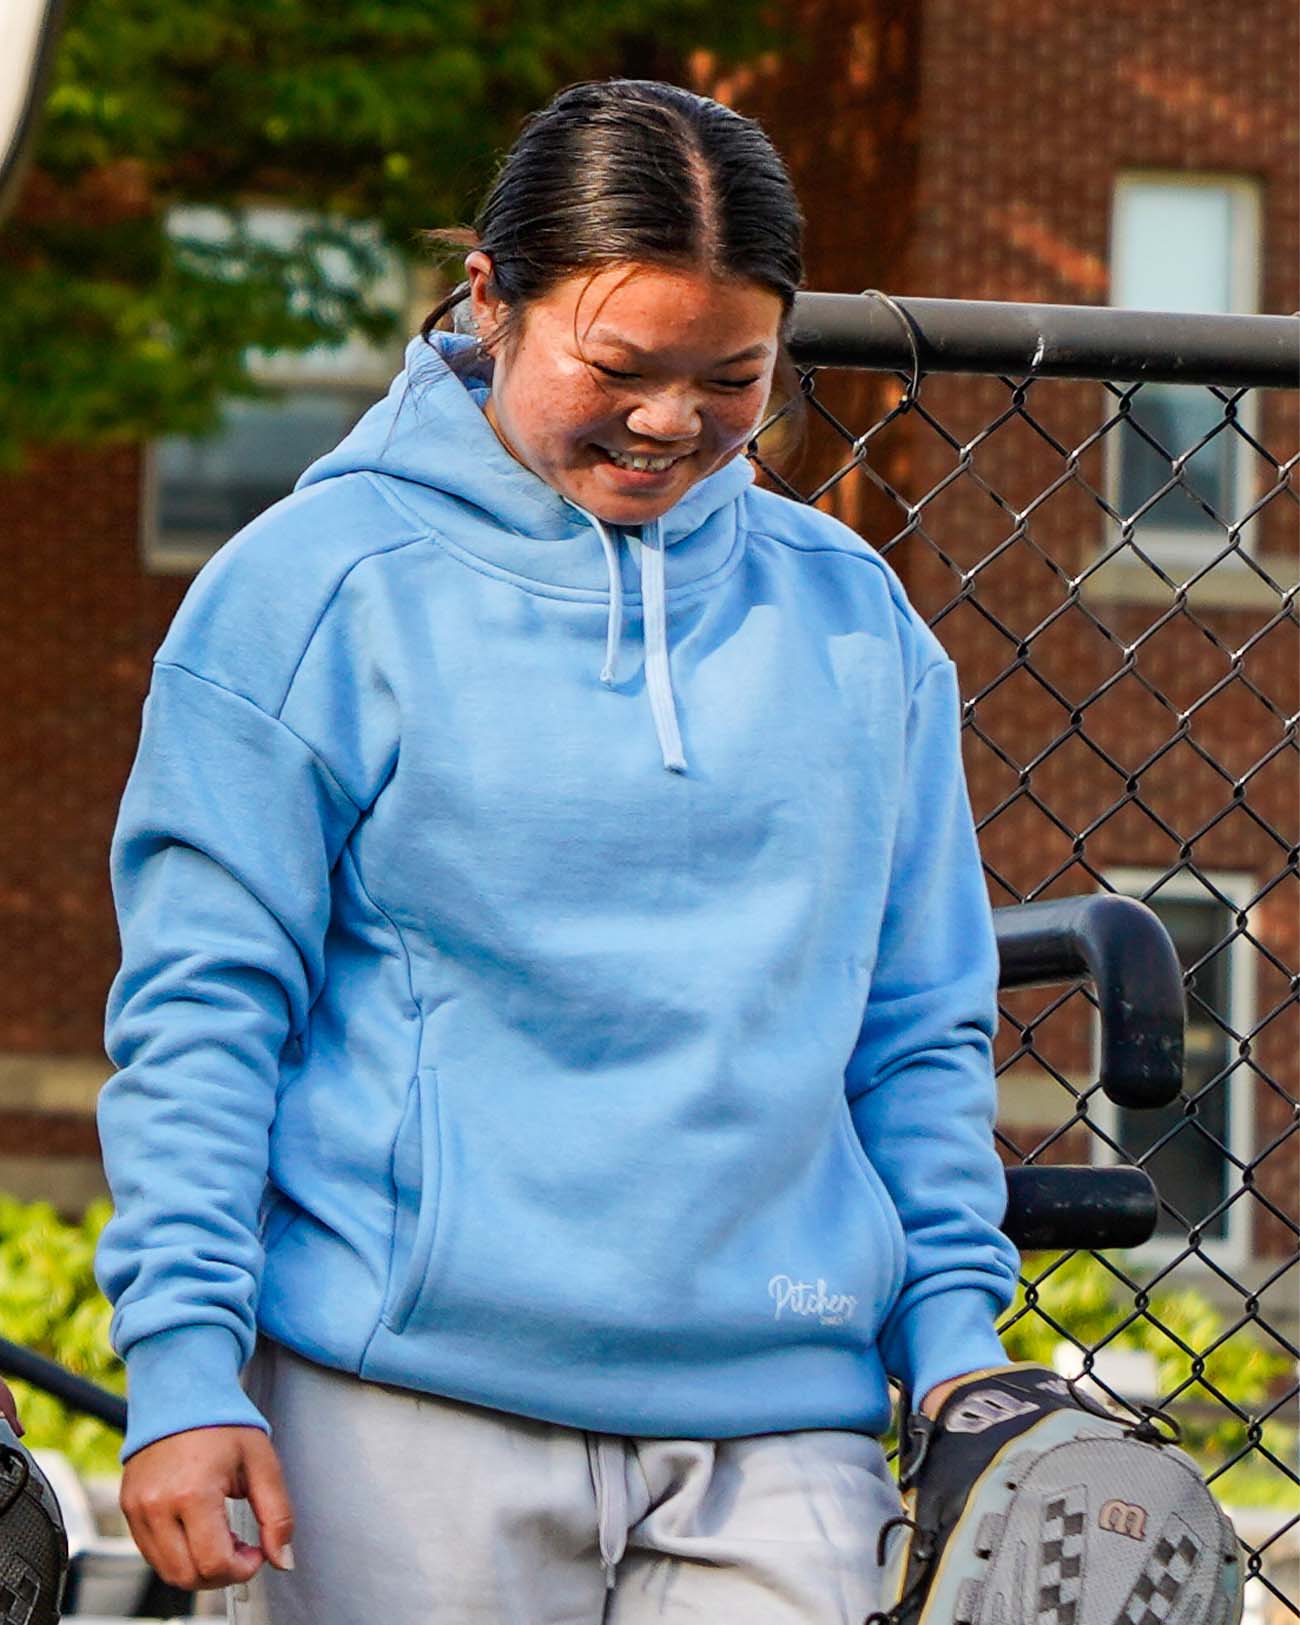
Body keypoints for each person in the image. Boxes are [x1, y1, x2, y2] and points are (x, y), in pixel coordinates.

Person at [93, 78, 1020, 1624]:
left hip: (782, 1411)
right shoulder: (313, 591)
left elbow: (920, 1027)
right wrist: (187, 1368)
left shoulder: (853, 618)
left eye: (735, 376)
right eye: (621, 364)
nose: (674, 421)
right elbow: (203, 1011)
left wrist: (954, 1350)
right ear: (489, 300)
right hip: (394, 1405)